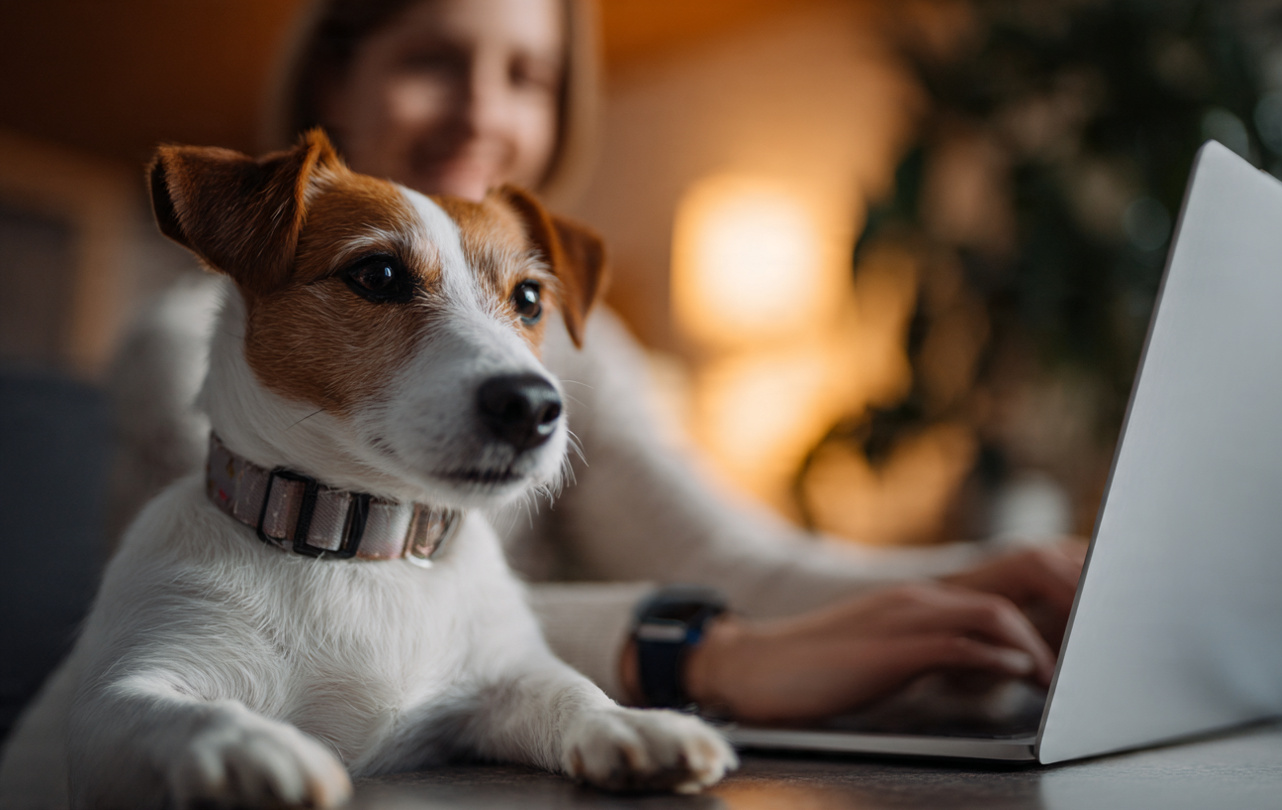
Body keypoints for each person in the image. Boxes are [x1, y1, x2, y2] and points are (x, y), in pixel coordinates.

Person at [108, 0, 1085, 726]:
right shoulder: (197, 348)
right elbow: (335, 628)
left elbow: (729, 561)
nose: (481, 113)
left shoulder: (577, 344)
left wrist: (995, 576)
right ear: (333, 78)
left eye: (527, 76)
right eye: (435, 60)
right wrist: (699, 656)